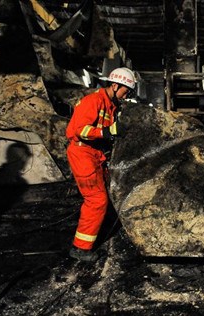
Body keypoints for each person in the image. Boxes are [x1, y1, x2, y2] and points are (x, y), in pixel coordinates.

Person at [65, 67, 136, 262]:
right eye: (125, 91)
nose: (126, 95)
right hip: (82, 153)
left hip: (94, 153)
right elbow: (79, 129)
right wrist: (107, 132)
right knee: (97, 200)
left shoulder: (110, 104)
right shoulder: (93, 101)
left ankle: (100, 228)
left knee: (107, 191)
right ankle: (80, 248)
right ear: (115, 85)